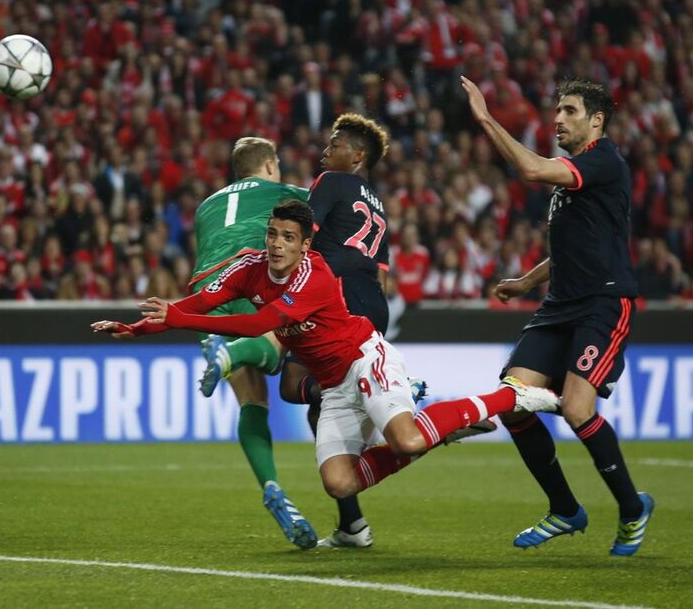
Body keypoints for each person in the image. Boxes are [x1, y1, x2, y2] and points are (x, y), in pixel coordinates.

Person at [93, 200, 561, 515]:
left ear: (305, 245)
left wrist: (177, 318)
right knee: (339, 483)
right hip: (334, 385)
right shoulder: (250, 267)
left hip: (364, 359)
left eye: (287, 237)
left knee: (406, 439)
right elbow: (195, 304)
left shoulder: (312, 277)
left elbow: (259, 324)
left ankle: (510, 396)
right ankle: (434, 434)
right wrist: (137, 328)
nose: (276, 244)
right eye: (272, 234)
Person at [93, 137, 318, 550]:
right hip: (248, 276)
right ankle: (231, 354)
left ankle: (271, 485)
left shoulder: (206, 206)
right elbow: (327, 216)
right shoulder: (288, 195)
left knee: (252, 401)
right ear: (270, 165)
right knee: (276, 345)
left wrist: (135, 327)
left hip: (205, 291)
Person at [461, 75, 655, 557]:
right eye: (557, 110)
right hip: (559, 306)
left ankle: (632, 508)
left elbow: (530, 169)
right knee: (513, 404)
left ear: (597, 120)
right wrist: (528, 282)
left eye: (569, 111)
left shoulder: (603, 161)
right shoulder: (576, 174)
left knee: (576, 409)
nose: (558, 119)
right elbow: (578, 244)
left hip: (603, 304)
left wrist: (485, 118)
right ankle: (565, 509)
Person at [199, 113, 405, 548]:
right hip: (361, 297)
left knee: (277, 390)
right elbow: (377, 267)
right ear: (269, 165)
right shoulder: (365, 202)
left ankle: (233, 358)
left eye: (334, 145)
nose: (324, 153)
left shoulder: (209, 205)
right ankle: (352, 523)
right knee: (310, 392)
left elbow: (305, 229)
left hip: (225, 286)